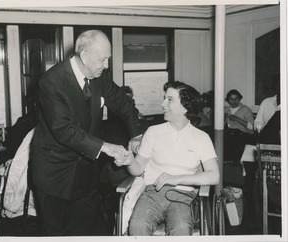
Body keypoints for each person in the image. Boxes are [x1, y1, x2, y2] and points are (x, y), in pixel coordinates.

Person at [30, 30, 143, 236]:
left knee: (94, 230)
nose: (107, 65)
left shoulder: (98, 75)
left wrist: (136, 134)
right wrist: (106, 147)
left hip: (85, 173)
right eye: (103, 59)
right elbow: (64, 130)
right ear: (84, 56)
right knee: (57, 234)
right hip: (54, 172)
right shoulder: (52, 81)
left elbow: (122, 102)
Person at [115, 81, 219, 236]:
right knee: (137, 226)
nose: (163, 104)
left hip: (182, 196)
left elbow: (214, 175)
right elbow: (138, 169)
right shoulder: (153, 132)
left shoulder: (201, 138)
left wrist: (176, 179)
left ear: (185, 106)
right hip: (152, 193)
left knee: (181, 229)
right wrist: (129, 161)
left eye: (169, 99)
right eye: (164, 98)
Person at [224, 89, 254, 162]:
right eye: (231, 99)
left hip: (243, 134)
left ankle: (234, 162)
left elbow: (251, 127)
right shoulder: (226, 110)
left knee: (234, 138)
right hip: (229, 133)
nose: (234, 101)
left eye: (236, 99)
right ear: (228, 100)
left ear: (240, 99)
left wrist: (237, 119)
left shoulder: (245, 110)